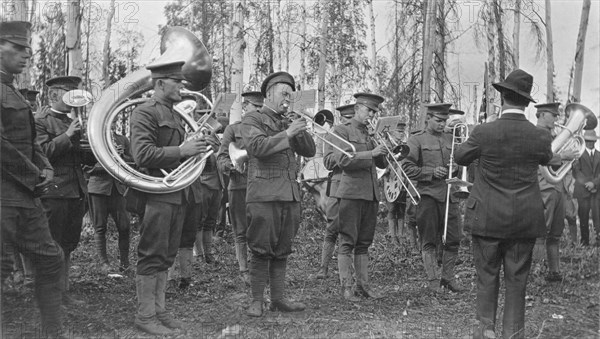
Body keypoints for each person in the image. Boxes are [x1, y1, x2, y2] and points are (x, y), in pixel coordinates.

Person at [454, 69, 554, 339]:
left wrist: (474, 135)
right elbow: (547, 159)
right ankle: (513, 334)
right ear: (526, 103)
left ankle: (486, 330)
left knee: (486, 278)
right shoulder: (541, 136)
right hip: (524, 221)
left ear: (503, 97)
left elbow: (460, 156)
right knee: (517, 282)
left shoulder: (484, 132)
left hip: (486, 219)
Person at [129, 60, 209, 335]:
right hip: (156, 196)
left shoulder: (174, 114)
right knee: (152, 254)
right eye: (178, 81)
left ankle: (159, 311)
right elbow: (142, 155)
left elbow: (180, 152)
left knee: (166, 256)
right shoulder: (144, 112)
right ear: (160, 83)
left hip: (176, 194)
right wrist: (183, 151)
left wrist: (198, 147)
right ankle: (145, 314)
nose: (183, 86)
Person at [1, 21, 64, 336]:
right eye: (19, 48)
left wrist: (46, 167)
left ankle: (52, 331)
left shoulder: (12, 89)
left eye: (27, 48)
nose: (27, 54)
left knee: (52, 259)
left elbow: (30, 143)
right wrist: (35, 173)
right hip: (3, 197)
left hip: (25, 197)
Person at [241, 71, 316, 316]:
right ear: (269, 94)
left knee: (283, 248)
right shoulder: (253, 118)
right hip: (263, 194)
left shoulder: (289, 120)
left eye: (291, 94)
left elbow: (309, 150)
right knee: (261, 247)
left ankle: (278, 299)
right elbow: (257, 147)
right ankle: (256, 300)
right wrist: (288, 133)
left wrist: (300, 128)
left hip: (289, 195)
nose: (288, 98)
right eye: (284, 93)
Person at [328, 93, 388, 300]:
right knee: (347, 241)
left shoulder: (371, 134)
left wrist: (383, 149)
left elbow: (382, 165)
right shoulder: (340, 130)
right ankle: (346, 287)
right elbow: (343, 161)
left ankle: (364, 286)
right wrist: (370, 154)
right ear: (357, 109)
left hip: (370, 193)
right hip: (351, 193)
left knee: (364, 242)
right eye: (368, 110)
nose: (371, 115)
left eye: (374, 112)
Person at [35, 75, 87, 306]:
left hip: (75, 190)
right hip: (54, 191)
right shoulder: (40, 121)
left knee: (67, 244)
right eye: (68, 93)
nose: (73, 99)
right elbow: (41, 153)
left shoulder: (72, 121)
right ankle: (49, 295)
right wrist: (67, 136)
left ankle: (63, 292)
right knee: (52, 245)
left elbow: (79, 158)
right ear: (54, 95)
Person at [402, 103, 463, 293]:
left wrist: (455, 169)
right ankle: (433, 281)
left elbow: (459, 163)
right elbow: (406, 167)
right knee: (428, 240)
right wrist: (430, 172)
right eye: (438, 120)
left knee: (453, 238)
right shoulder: (416, 140)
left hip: (449, 196)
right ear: (428, 118)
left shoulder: (450, 139)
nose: (441, 124)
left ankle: (448, 277)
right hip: (428, 196)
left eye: (444, 121)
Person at [217, 91, 263, 286]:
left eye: (261, 107)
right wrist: (231, 166)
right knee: (241, 231)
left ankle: (260, 268)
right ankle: (244, 269)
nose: (259, 111)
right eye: (255, 107)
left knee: (261, 229)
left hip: (262, 186)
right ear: (245, 108)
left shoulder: (266, 129)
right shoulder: (232, 129)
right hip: (239, 185)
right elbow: (221, 157)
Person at [534, 102, 574, 282]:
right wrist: (562, 156)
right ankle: (536, 272)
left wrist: (568, 156)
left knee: (556, 232)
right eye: (553, 115)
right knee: (541, 232)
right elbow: (541, 159)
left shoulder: (552, 136)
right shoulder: (534, 135)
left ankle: (554, 271)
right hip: (543, 188)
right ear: (542, 115)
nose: (557, 118)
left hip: (557, 188)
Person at [313, 104, 355, 279]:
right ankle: (323, 268)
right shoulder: (333, 135)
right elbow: (328, 162)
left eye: (352, 118)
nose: (348, 122)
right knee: (332, 228)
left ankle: (349, 271)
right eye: (346, 119)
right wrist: (346, 157)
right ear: (341, 119)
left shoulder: (362, 135)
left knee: (352, 230)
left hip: (357, 188)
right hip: (337, 187)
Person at [86, 131, 132, 272]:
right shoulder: (92, 138)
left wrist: (121, 156)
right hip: (98, 188)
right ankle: (103, 262)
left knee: (124, 226)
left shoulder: (122, 139)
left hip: (118, 188)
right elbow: (86, 166)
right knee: (100, 227)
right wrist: (109, 160)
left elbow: (132, 161)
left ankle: (124, 263)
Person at [572, 130, 600, 246]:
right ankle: (585, 243)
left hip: (597, 192)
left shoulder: (599, 154)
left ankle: (598, 242)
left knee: (598, 217)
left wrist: (594, 183)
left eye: (592, 140)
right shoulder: (578, 154)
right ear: (584, 141)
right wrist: (587, 184)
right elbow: (576, 172)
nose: (590, 143)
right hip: (583, 191)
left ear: (595, 141)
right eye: (588, 140)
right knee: (583, 217)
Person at [384, 119, 408, 246]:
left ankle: (401, 235)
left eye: (402, 132)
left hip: (402, 180)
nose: (401, 134)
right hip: (390, 181)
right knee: (392, 208)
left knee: (402, 208)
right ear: (392, 132)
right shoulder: (386, 145)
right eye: (398, 131)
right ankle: (393, 236)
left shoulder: (405, 146)